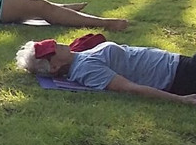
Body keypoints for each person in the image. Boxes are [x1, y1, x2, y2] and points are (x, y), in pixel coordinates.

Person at [16, 38, 196, 105]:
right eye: (52, 49)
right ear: (54, 66)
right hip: (177, 75)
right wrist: (180, 100)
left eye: (52, 43)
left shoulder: (78, 56)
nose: (56, 44)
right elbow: (130, 88)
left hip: (175, 62)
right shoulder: (86, 69)